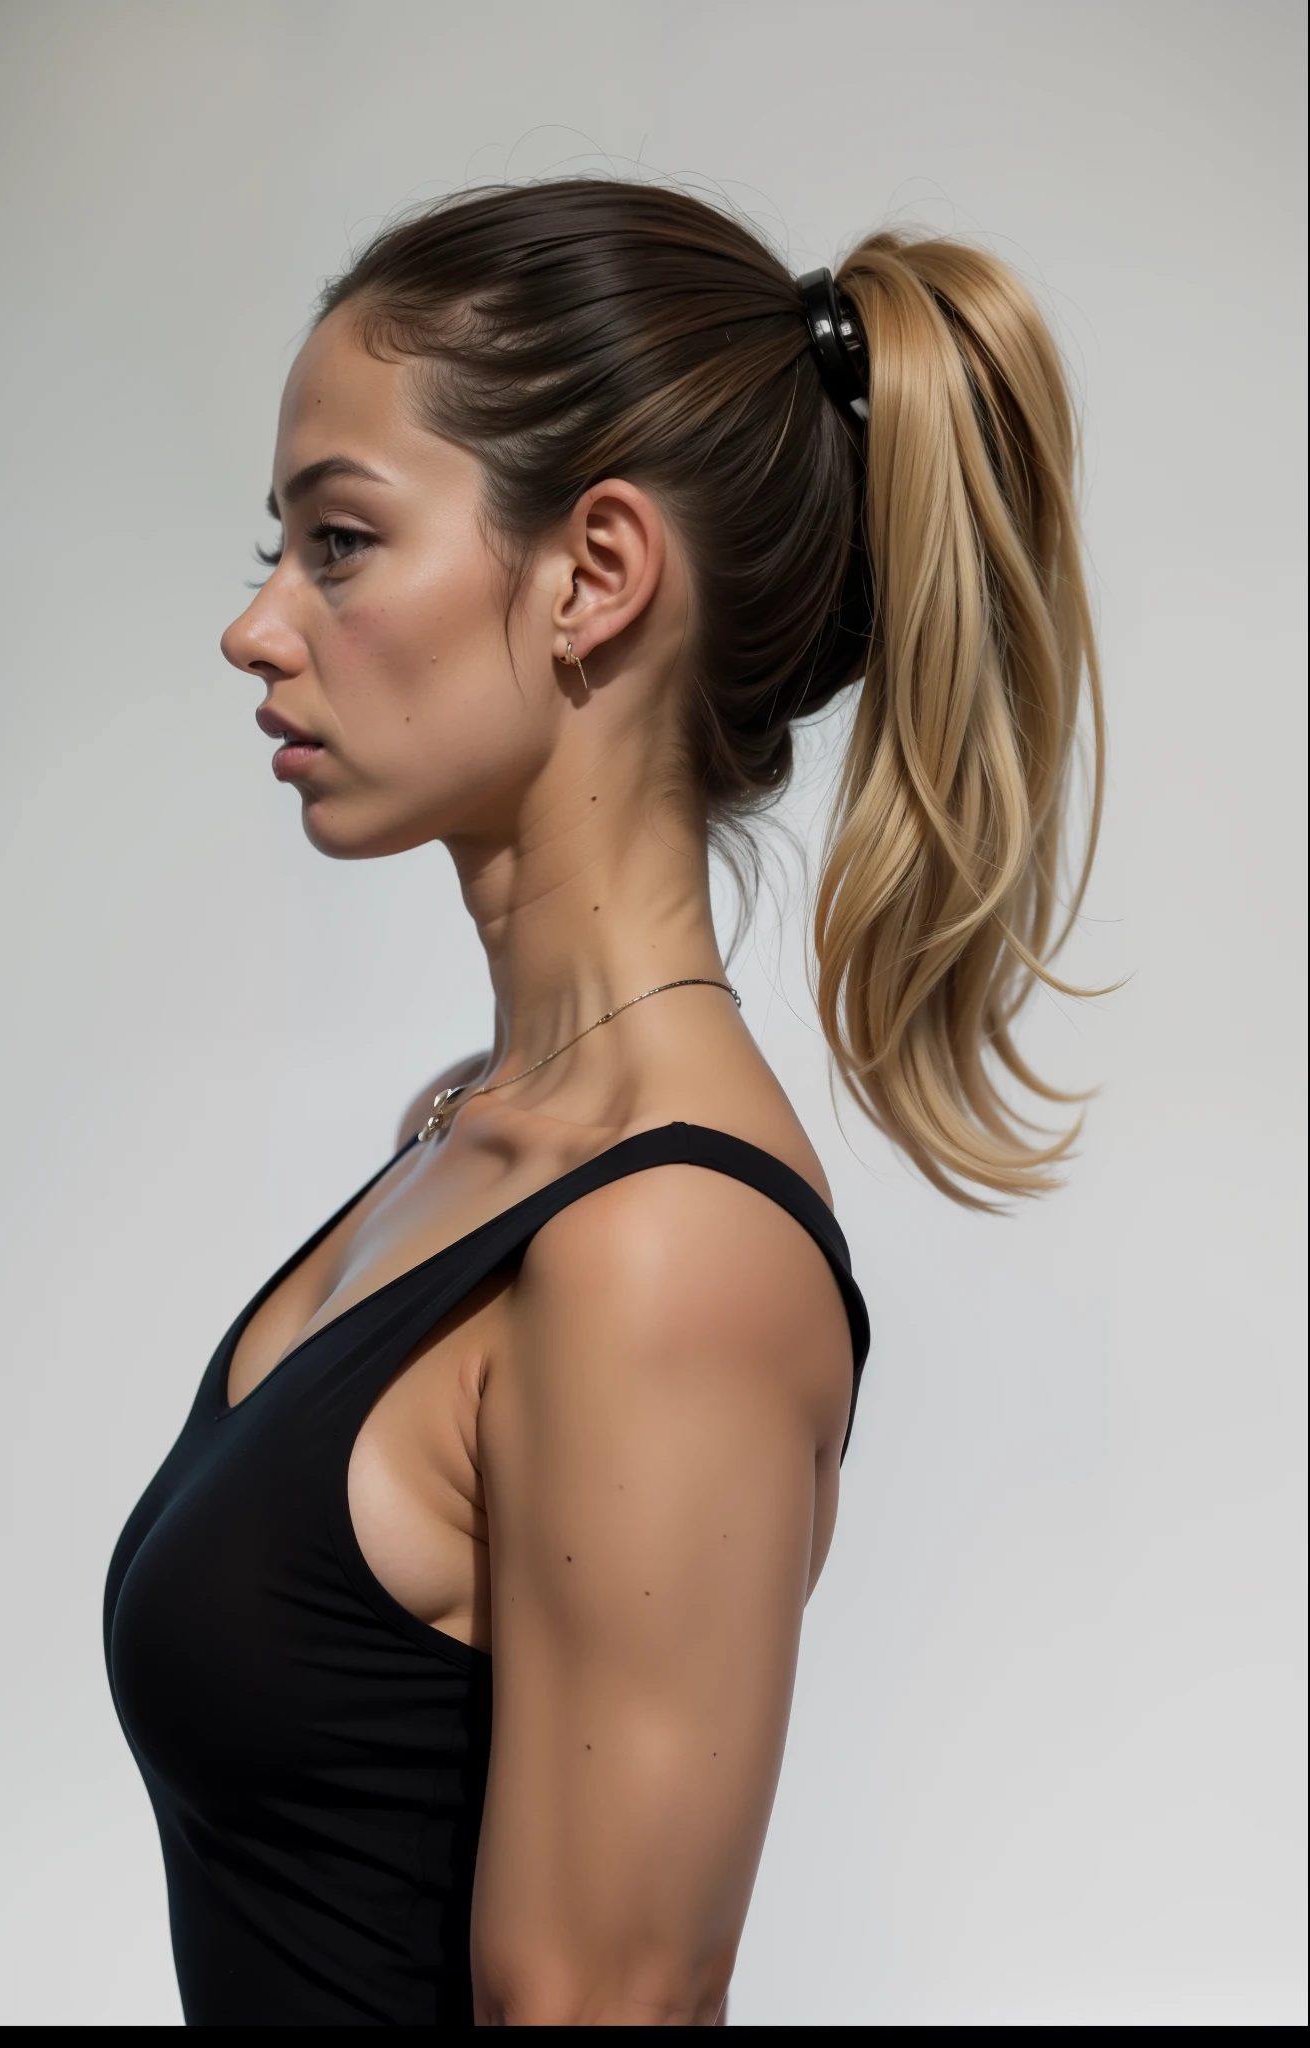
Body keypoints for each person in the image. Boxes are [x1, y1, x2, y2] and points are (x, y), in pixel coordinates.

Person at [103, 178, 1102, 2027]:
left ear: (595, 575)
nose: (257, 628)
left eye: (337, 542)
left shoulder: (663, 1251)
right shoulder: (461, 1141)